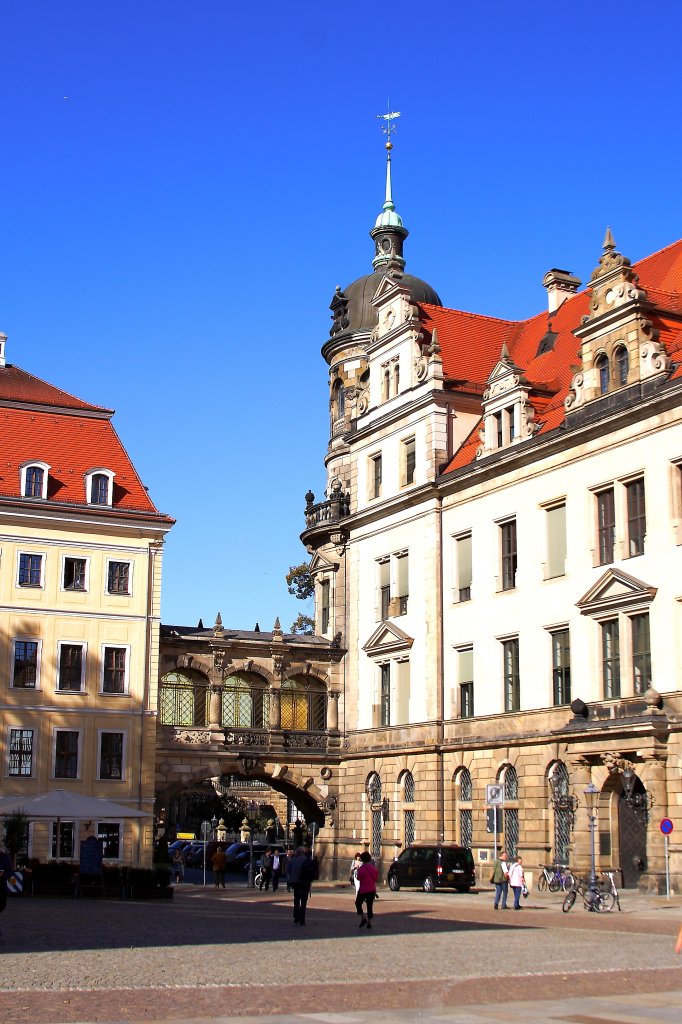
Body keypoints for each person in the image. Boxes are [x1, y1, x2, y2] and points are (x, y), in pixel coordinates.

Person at [287, 846, 315, 925]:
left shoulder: (293, 860)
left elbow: (288, 870)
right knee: (303, 901)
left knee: (296, 899)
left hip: (295, 882)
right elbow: (311, 872)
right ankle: (302, 919)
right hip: (304, 883)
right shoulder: (307, 860)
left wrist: (291, 878)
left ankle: (296, 916)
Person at [355, 851, 379, 930]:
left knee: (358, 903)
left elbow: (358, 878)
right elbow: (376, 877)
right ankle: (369, 922)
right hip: (372, 889)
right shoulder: (373, 868)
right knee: (369, 905)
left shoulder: (362, 868)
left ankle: (363, 917)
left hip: (363, 889)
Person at [0, 843, 14, 940]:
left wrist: (2, 874)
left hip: (0, 889)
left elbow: (10, 872)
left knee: (1, 905)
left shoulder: (5, 857)